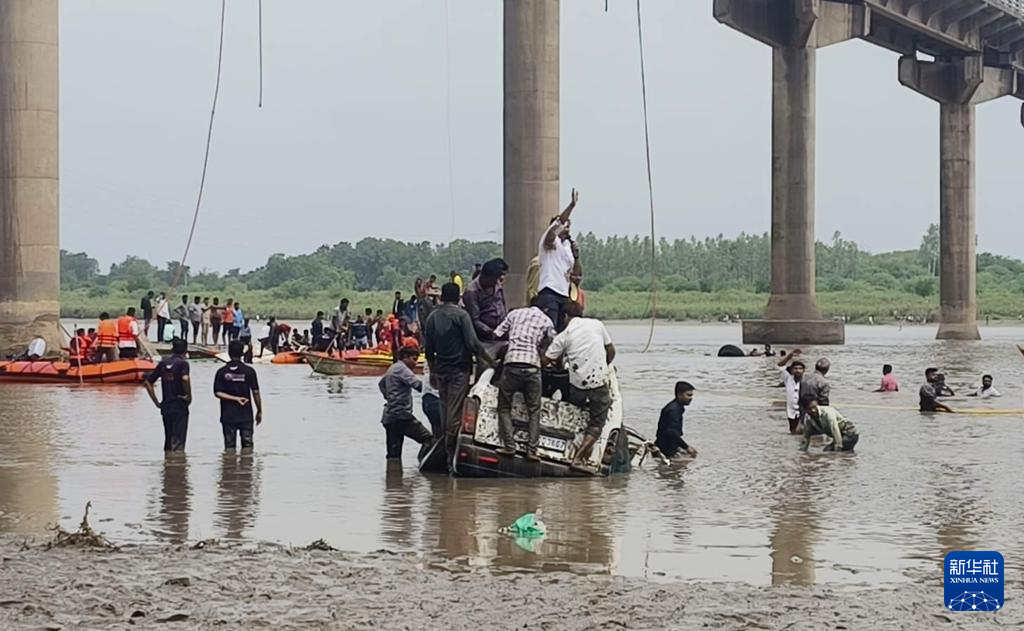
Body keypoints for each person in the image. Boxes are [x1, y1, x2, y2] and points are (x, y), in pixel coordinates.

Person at [423, 282, 492, 464]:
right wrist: (490, 360)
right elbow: (472, 343)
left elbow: (428, 349)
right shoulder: (462, 316)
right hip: (459, 370)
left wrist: (432, 372)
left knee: (445, 409)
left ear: (442, 297)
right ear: (458, 297)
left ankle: (446, 449)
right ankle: (450, 454)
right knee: (454, 414)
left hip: (441, 371)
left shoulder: (432, 317)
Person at [543, 300, 615, 468]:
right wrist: (604, 365)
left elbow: (546, 360)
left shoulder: (564, 335)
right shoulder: (597, 325)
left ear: (565, 316)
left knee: (575, 413)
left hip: (578, 386)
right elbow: (611, 351)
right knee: (596, 424)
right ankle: (578, 458)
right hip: (599, 383)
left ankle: (570, 447)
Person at [492, 298, 556, 459]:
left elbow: (497, 334)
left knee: (504, 408)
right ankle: (532, 451)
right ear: (545, 309)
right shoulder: (546, 320)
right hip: (532, 367)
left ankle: (509, 446)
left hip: (512, 364)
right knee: (534, 411)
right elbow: (552, 344)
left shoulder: (515, 314)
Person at [378, 346, 434, 459]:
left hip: (389, 416)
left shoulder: (393, 368)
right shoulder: (402, 369)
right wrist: (435, 388)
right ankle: (422, 464)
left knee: (393, 455)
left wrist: (389, 398)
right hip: (402, 416)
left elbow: (381, 384)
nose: (415, 363)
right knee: (428, 439)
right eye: (414, 359)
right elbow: (418, 385)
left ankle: (394, 470)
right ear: (405, 357)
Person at [536, 189, 580, 330]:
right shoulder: (549, 242)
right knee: (549, 330)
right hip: (550, 292)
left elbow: (577, 275)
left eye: (568, 226)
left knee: (562, 332)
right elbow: (559, 222)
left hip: (564, 294)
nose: (567, 228)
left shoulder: (566, 246)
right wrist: (571, 206)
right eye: (564, 226)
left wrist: (577, 257)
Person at [143, 337, 192, 452]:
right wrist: (189, 396)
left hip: (166, 406)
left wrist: (156, 402)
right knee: (178, 440)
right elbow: (185, 379)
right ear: (185, 351)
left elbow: (147, 382)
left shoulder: (163, 363)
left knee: (168, 438)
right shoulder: (183, 363)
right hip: (179, 404)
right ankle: (177, 461)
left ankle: (168, 460)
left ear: (172, 349)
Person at [214, 340, 263, 451]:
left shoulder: (221, 372)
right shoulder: (249, 371)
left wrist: (234, 399)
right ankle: (247, 462)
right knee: (248, 447)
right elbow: (255, 392)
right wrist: (259, 410)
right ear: (242, 353)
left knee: (229, 448)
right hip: (246, 415)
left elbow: (217, 393)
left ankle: (229, 462)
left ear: (229, 353)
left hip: (228, 416)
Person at [463, 258, 509, 343]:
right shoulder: (472, 291)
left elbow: (502, 303)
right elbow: (475, 320)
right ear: (485, 277)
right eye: (494, 280)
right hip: (486, 337)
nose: (496, 282)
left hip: (502, 331)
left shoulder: (497, 283)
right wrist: (492, 333)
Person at [655, 381, 698, 459]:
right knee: (691, 458)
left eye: (691, 395)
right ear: (679, 395)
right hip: (667, 448)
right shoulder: (674, 410)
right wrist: (687, 447)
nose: (691, 398)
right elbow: (672, 432)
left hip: (667, 444)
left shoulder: (677, 407)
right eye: (688, 395)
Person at [778, 351, 805, 434]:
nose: (798, 371)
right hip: (791, 412)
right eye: (795, 368)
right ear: (792, 370)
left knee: (801, 432)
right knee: (793, 432)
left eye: (800, 369)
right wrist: (789, 356)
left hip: (803, 412)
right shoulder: (788, 379)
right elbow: (780, 365)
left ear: (804, 370)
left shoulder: (807, 381)